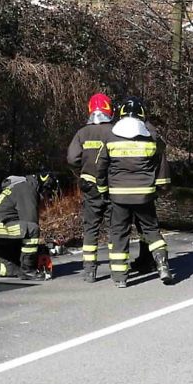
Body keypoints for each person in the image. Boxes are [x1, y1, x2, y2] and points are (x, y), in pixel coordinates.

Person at [104, 97, 173, 288]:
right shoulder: (151, 138)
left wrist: (102, 189)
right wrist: (162, 188)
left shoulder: (111, 137)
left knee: (119, 233)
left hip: (118, 195)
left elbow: (101, 165)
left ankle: (120, 277)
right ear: (142, 115)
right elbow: (161, 168)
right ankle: (163, 265)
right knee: (151, 230)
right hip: (144, 195)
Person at [67, 93, 114, 283]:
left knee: (91, 228)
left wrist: (83, 170)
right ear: (109, 109)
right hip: (112, 186)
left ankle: (89, 270)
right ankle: (117, 268)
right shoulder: (115, 131)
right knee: (114, 227)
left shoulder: (82, 133)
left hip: (89, 187)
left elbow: (72, 159)